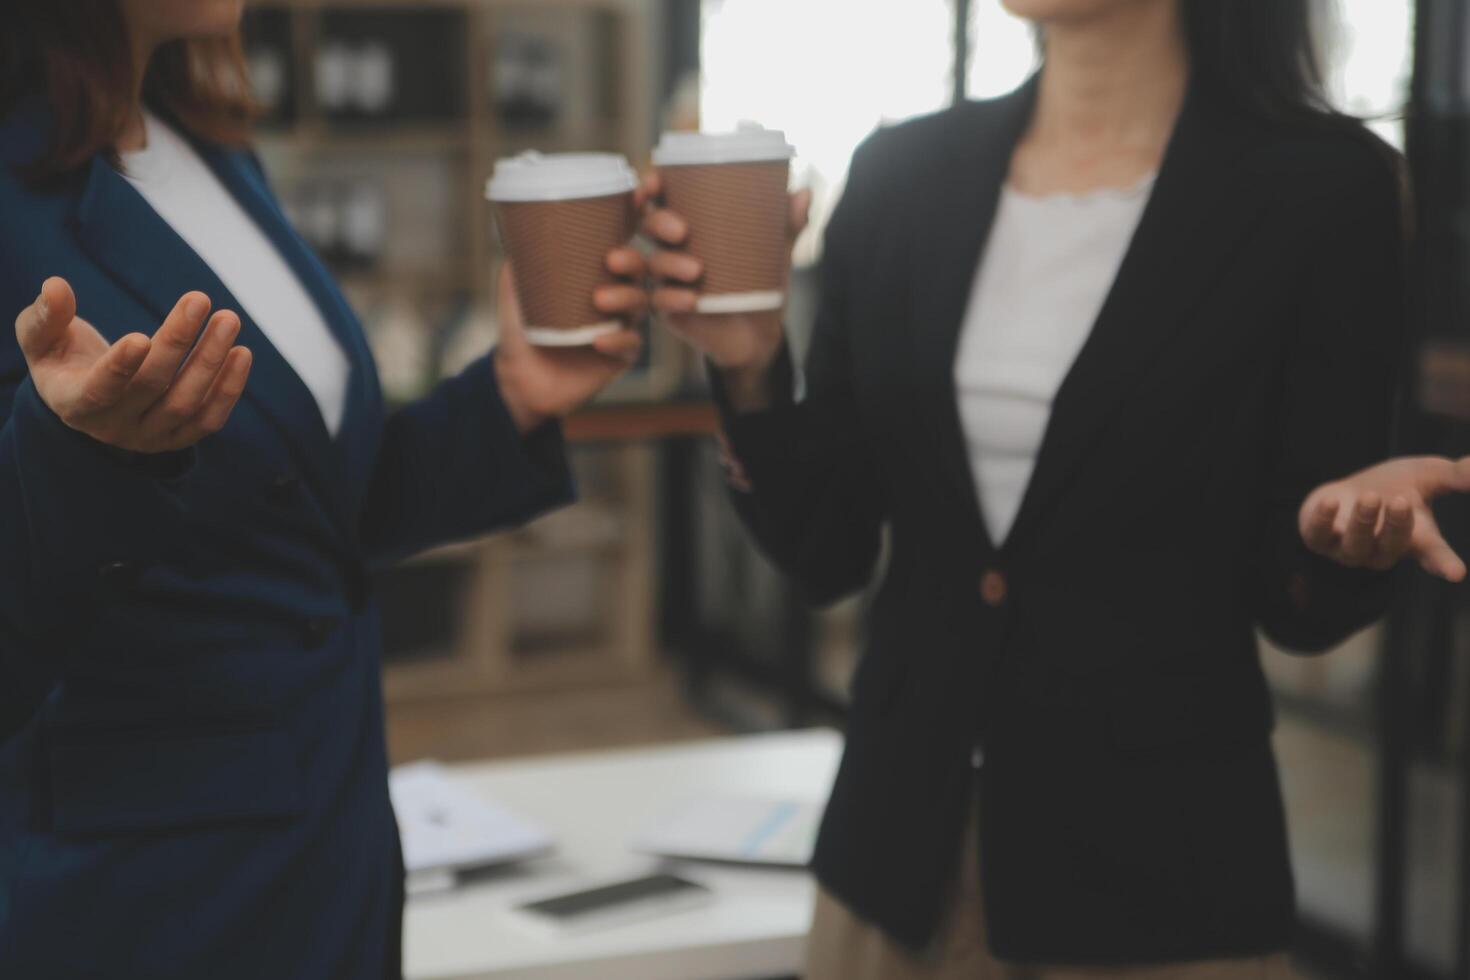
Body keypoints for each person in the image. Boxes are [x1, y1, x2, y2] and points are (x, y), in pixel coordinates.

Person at [646, 0, 1467, 976]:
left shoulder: (1323, 189)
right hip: (892, 863)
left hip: (1162, 883)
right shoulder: (902, 173)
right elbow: (828, 547)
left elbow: (1293, 591)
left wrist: (1343, 536)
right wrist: (749, 369)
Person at [0, 2, 648, 977]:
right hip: (153, 903)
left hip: (330, 858)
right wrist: (80, 455)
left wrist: (510, 396)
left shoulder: (206, 150)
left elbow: (304, 512)